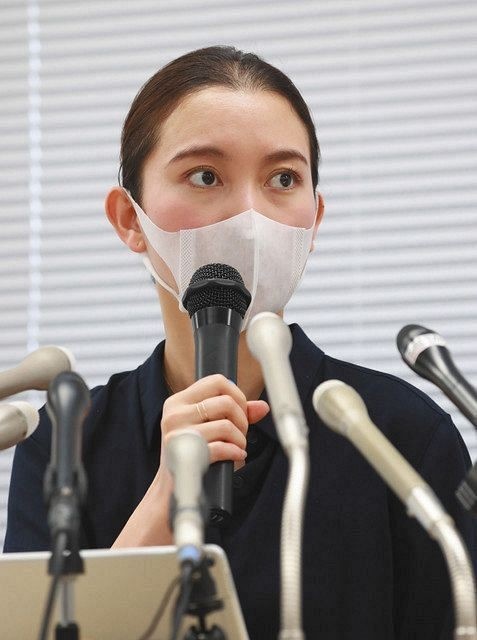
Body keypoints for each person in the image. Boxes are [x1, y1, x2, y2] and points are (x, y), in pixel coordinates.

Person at [4, 46, 476, 639]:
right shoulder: (65, 441)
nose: (250, 217)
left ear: (314, 220)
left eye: (283, 179)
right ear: (129, 218)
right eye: (205, 176)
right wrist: (165, 499)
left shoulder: (398, 437)